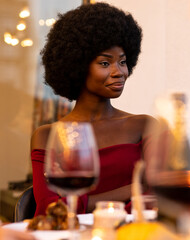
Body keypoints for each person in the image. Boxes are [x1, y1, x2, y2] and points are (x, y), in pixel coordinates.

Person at [31, 2, 153, 216]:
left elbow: (155, 199)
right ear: (77, 66)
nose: (119, 72)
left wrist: (80, 203)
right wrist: (129, 191)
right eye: (105, 63)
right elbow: (50, 210)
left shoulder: (144, 126)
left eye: (122, 62)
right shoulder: (48, 136)